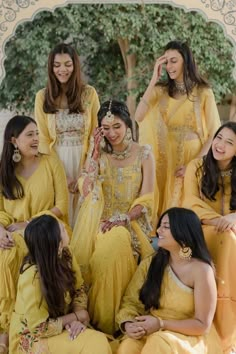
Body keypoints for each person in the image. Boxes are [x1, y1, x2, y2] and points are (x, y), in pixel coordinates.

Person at [71, 100, 155, 335]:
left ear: (128, 124)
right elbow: (87, 190)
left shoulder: (144, 154)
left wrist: (125, 218)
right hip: (99, 226)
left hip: (133, 225)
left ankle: (112, 321)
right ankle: (101, 322)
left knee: (118, 239)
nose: (112, 133)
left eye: (117, 126)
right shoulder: (99, 155)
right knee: (111, 239)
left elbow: (147, 198)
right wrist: (94, 153)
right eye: (105, 128)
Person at [0, 115, 69, 353]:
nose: (36, 139)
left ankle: (10, 331)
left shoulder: (51, 162)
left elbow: (61, 206)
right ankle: (5, 324)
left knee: (14, 247)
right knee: (5, 248)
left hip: (47, 231)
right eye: (30, 134)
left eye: (37, 133)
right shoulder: (4, 171)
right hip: (10, 233)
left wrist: (28, 224)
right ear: (13, 141)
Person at [135, 40, 221, 225]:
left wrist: (195, 163)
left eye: (173, 60)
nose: (169, 66)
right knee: (165, 216)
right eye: (166, 62)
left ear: (186, 61)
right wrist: (153, 79)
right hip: (165, 160)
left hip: (192, 157)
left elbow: (214, 132)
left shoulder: (204, 92)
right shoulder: (161, 90)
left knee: (186, 211)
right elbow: (139, 116)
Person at [116, 207, 223, 354]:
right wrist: (128, 324)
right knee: (129, 345)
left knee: (157, 343)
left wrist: (161, 324)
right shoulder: (151, 263)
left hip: (188, 337)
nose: (158, 231)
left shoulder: (202, 271)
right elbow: (131, 302)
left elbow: (202, 325)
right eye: (160, 226)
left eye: (165, 227)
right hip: (153, 329)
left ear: (183, 232)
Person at [9, 215, 112, 354]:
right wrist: (76, 317)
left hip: (63, 323)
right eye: (61, 230)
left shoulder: (66, 254)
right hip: (31, 337)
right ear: (56, 244)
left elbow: (79, 288)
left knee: (98, 343)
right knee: (96, 344)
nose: (65, 227)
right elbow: (39, 328)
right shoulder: (31, 278)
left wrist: (77, 317)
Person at [183, 121, 236, 353]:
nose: (220, 145)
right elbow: (189, 204)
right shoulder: (196, 167)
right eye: (218, 137)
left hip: (233, 234)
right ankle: (223, 337)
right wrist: (222, 221)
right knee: (228, 240)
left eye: (229, 142)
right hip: (203, 232)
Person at [35, 43, 100, 225]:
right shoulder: (42, 97)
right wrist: (63, 175)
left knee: (85, 216)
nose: (62, 69)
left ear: (75, 65)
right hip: (56, 161)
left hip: (85, 160)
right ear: (51, 67)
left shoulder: (89, 94)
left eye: (67, 64)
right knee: (61, 213)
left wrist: (86, 171)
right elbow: (42, 139)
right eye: (57, 65)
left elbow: (95, 134)